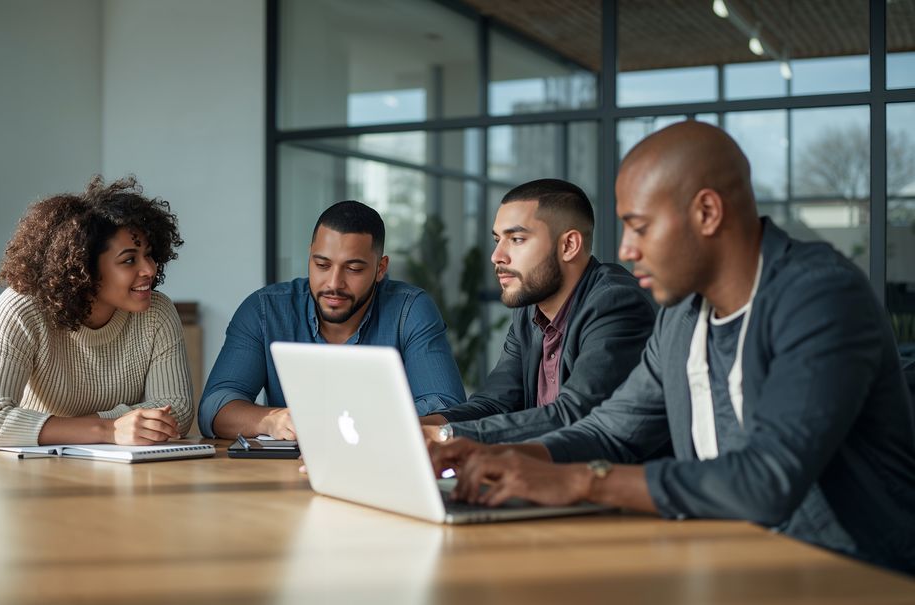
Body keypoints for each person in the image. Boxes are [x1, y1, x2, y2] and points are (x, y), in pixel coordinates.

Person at [430, 121, 915, 574]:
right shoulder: (682, 316)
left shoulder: (818, 294)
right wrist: (509, 458)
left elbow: (767, 479)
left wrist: (580, 480)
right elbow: (611, 433)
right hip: (724, 564)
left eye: (640, 226)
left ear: (707, 212)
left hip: (848, 575)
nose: (624, 250)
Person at [199, 200, 465, 440]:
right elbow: (215, 407)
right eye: (322, 265)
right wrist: (269, 421)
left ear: (380, 268)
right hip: (287, 478)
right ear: (310, 256)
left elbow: (450, 411)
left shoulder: (410, 310)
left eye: (354, 269)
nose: (334, 284)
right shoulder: (264, 310)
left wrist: (366, 424)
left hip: (379, 470)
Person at [420, 179, 655, 444]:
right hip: (545, 474)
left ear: (568, 246)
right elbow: (494, 403)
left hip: (608, 479)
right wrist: (418, 426)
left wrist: (445, 434)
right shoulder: (529, 311)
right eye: (498, 240)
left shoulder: (616, 303)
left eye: (517, 239)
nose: (497, 256)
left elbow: (575, 414)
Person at [0, 176, 193, 449]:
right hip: (34, 475)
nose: (149, 270)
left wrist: (102, 428)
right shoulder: (21, 310)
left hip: (122, 474)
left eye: (149, 254)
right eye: (129, 260)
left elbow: (176, 410)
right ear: (82, 267)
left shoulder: (157, 312)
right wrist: (107, 429)